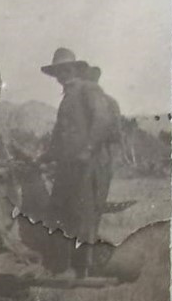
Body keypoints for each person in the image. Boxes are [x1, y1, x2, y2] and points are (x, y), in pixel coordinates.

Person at [39, 47, 122, 277]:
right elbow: (59, 136)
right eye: (57, 71)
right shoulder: (67, 98)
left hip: (90, 165)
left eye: (65, 69)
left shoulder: (89, 89)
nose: (61, 74)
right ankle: (60, 265)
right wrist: (44, 157)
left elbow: (102, 120)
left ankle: (82, 269)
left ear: (74, 69)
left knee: (82, 215)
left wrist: (87, 150)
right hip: (69, 166)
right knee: (57, 212)